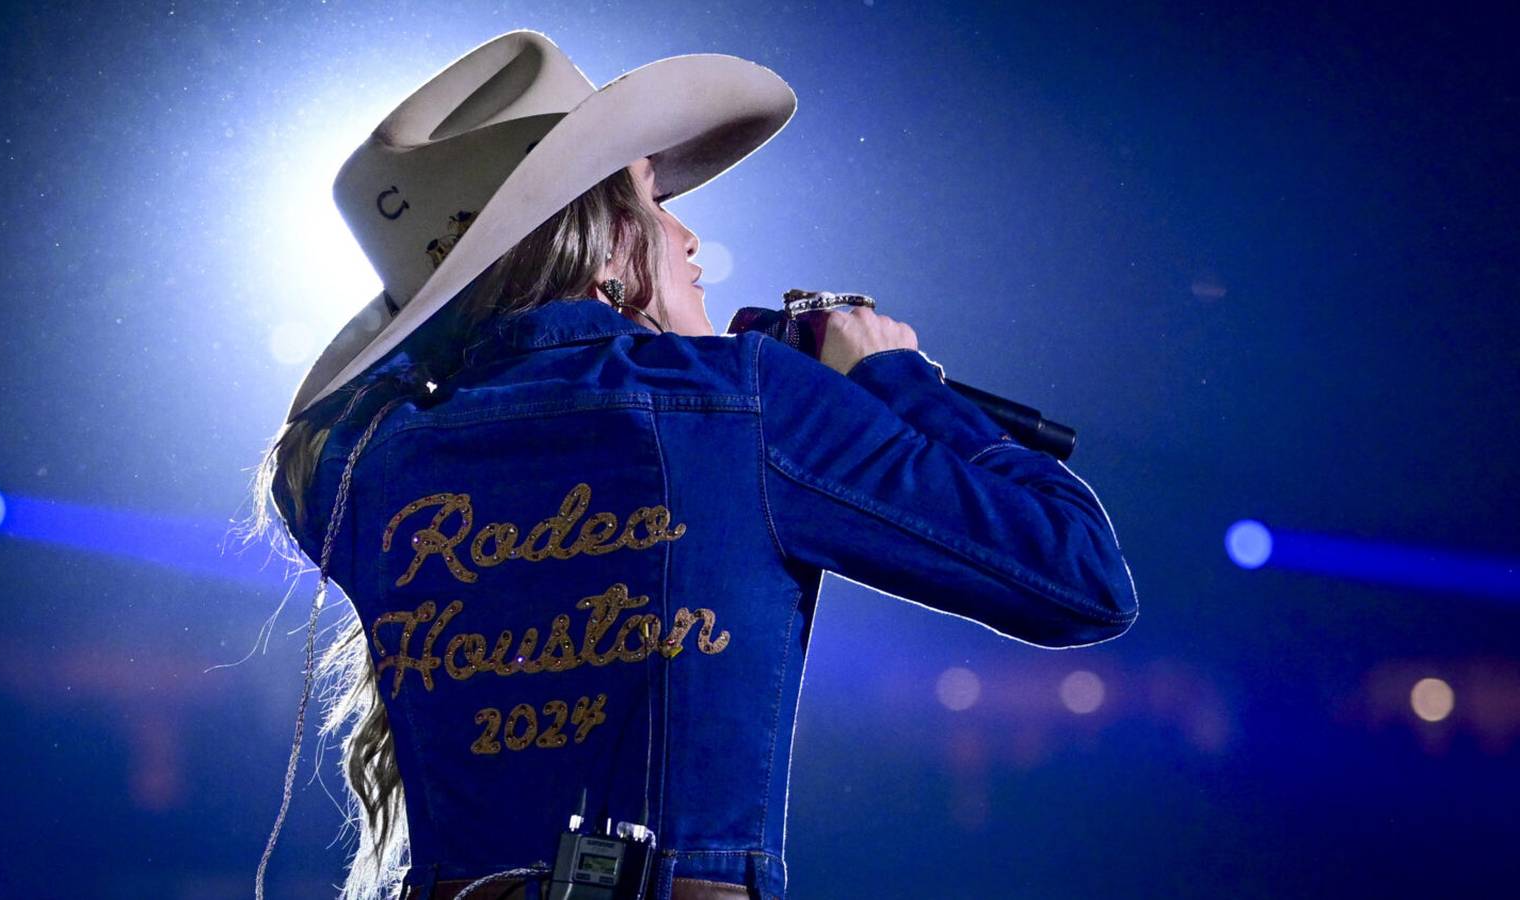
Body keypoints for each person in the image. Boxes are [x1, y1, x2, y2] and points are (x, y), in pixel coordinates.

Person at [244, 29, 1138, 900]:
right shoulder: (749, 402)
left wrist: (457, 292)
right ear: (593, 234)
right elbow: (1079, 575)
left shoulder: (350, 466)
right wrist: (890, 378)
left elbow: (385, 393)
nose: (688, 238)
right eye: (651, 201)